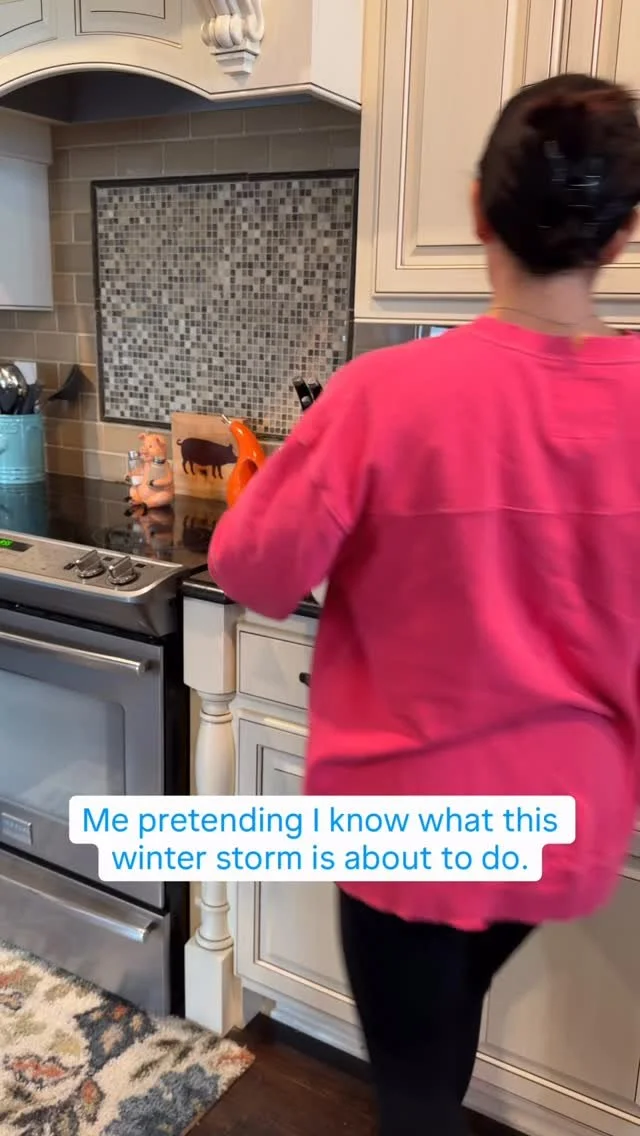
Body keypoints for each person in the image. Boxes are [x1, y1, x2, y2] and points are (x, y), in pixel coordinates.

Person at [209, 73, 640, 1135]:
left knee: (413, 1088)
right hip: (564, 826)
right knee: (445, 1018)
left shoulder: (383, 393)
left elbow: (251, 570)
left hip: (412, 827)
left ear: (477, 212)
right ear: (623, 234)